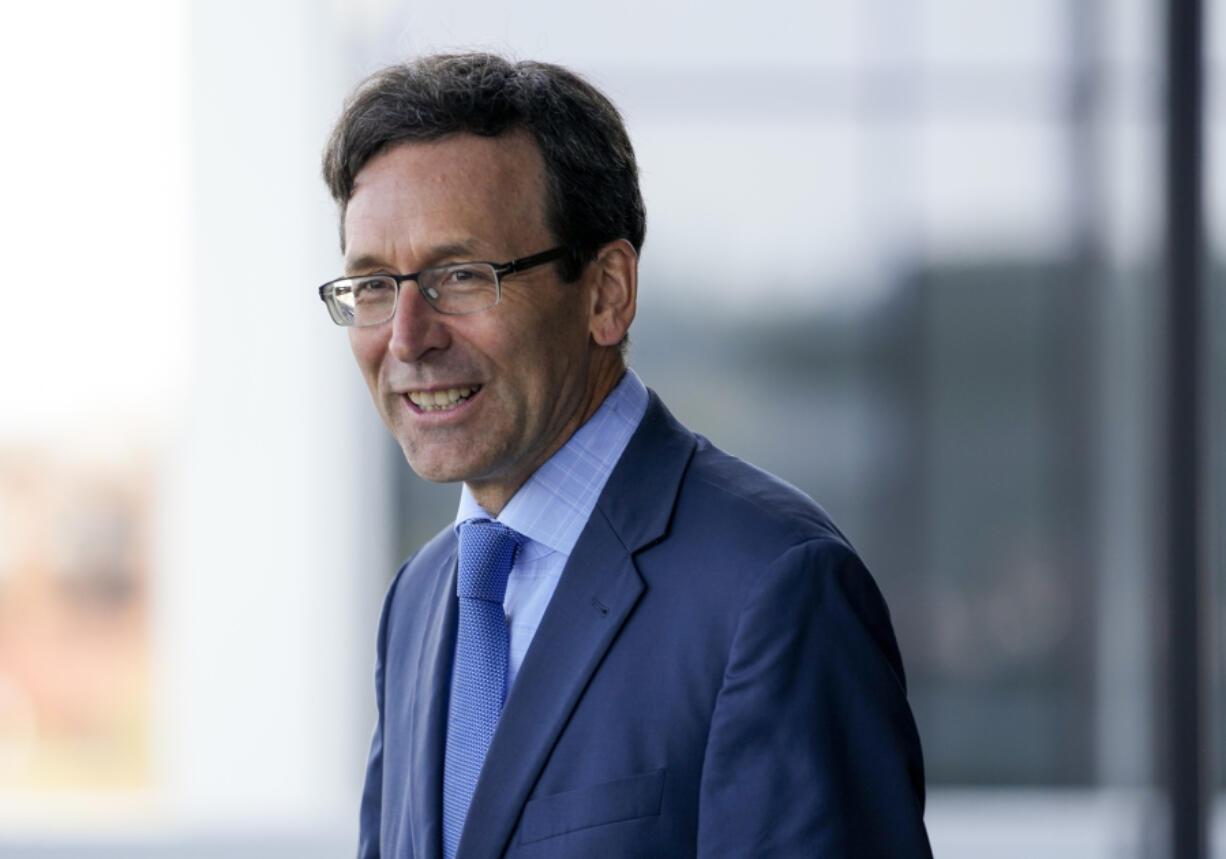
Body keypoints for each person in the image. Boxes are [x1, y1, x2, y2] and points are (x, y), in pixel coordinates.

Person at [318, 53, 933, 859]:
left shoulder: (773, 590)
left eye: (460, 276)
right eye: (371, 286)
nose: (407, 336)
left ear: (607, 292)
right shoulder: (421, 600)